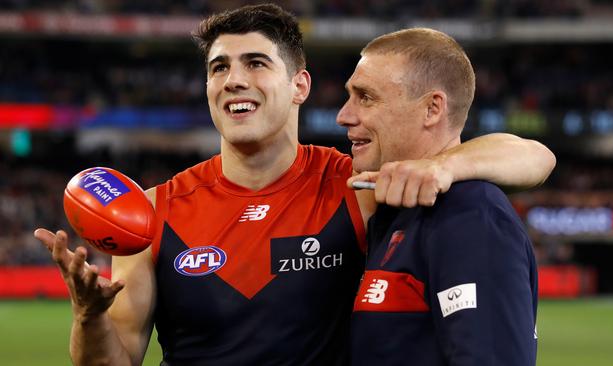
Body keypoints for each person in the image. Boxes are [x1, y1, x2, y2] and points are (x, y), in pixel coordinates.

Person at [34, 4, 554, 366]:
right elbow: (113, 360)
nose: (233, 79)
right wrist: (88, 317)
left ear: (299, 84)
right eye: (219, 68)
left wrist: (444, 167)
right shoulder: (153, 213)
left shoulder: (355, 186)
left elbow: (533, 155)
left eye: (255, 63)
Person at [340, 28, 540, 365]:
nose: (344, 115)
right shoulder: (394, 209)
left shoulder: (471, 215)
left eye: (366, 97)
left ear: (433, 109)